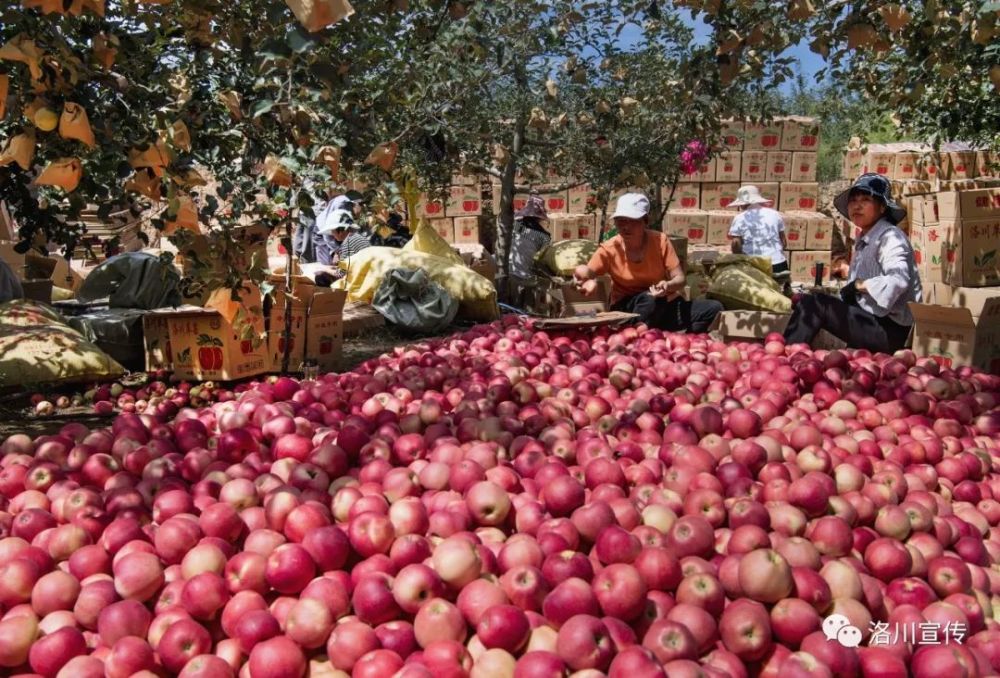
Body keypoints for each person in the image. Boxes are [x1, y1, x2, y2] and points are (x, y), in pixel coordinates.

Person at [783, 173, 922, 353]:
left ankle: (783, 357)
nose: (857, 205)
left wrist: (859, 285)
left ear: (881, 208)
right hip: (869, 320)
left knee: (816, 304)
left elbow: (899, 280)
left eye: (865, 199)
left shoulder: (890, 237)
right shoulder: (865, 238)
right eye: (853, 200)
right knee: (807, 301)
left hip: (890, 331)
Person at [574, 193, 723, 333]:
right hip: (628, 309)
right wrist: (584, 277)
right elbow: (588, 272)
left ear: (646, 221)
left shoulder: (660, 241)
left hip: (662, 304)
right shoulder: (609, 249)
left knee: (713, 308)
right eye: (621, 221)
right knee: (648, 298)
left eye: (632, 221)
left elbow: (680, 279)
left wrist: (667, 285)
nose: (626, 226)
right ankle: (639, 331)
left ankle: (657, 333)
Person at [727, 185, 788, 278]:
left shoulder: (740, 218)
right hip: (779, 264)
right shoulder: (775, 214)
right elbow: (783, 242)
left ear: (743, 203)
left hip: (755, 266)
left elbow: (736, 244)